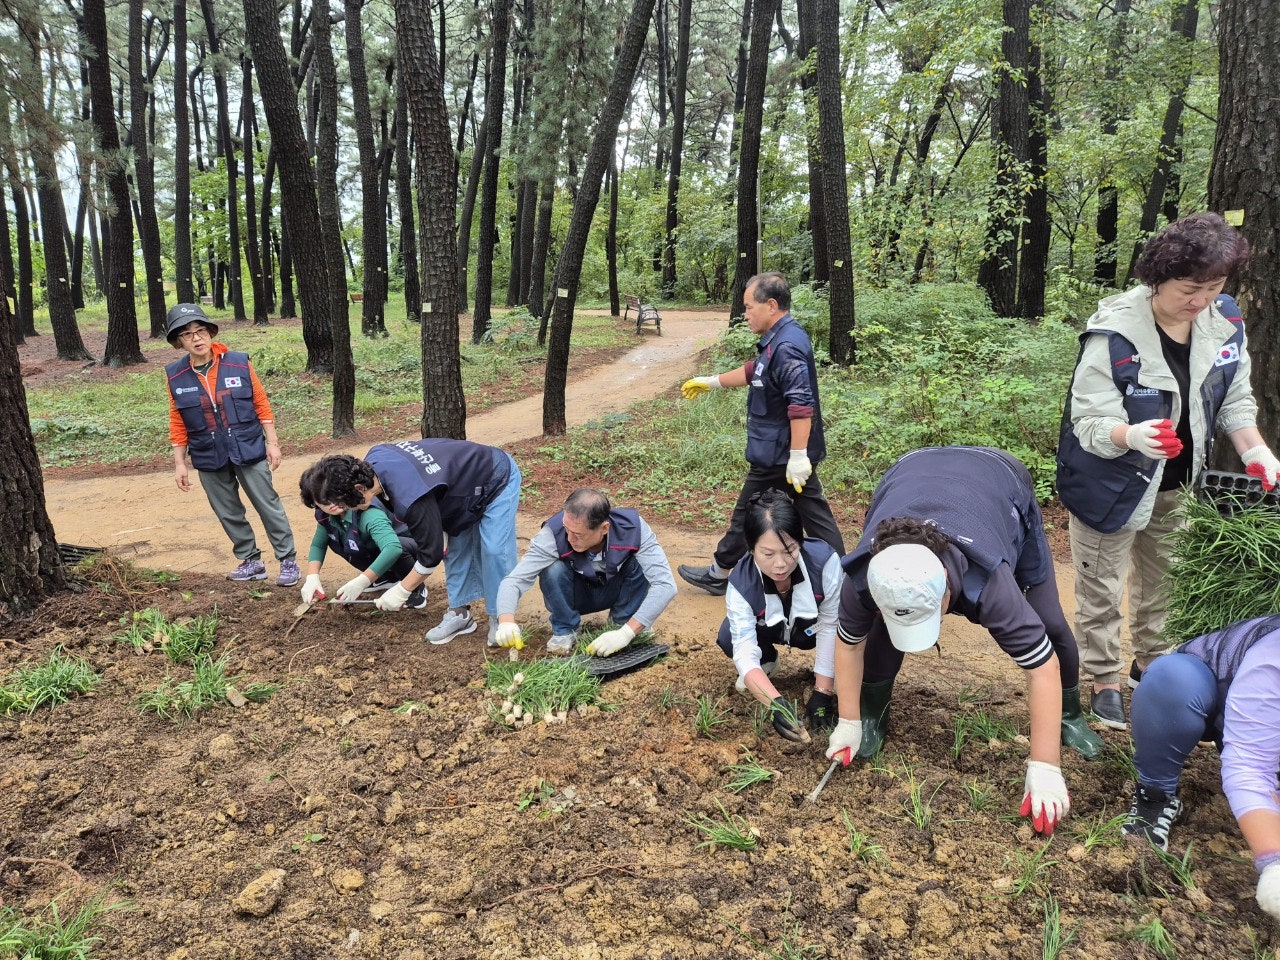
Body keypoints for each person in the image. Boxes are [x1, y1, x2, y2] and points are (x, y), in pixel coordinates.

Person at [1056, 212, 1279, 730]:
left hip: (1178, 484)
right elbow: (1090, 422)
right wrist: (1131, 436)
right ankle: (1104, 678)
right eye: (1190, 288)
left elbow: (1235, 402)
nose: (1201, 299)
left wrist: (1256, 451)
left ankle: (1151, 664)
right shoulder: (1113, 336)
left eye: (1215, 286)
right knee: (1101, 586)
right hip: (1109, 486)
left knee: (1165, 583)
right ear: (1158, 278)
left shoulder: (1224, 325)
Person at [827, 446, 1102, 836]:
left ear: (946, 588)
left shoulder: (990, 584)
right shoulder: (865, 577)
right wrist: (848, 721)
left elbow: (1041, 668)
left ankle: (1069, 715)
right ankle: (872, 713)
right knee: (882, 632)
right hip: (908, 471)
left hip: (1000, 483)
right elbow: (850, 643)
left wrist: (1045, 767)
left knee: (1050, 623)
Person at [676, 272, 845, 596]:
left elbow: (800, 404)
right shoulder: (778, 340)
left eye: (749, 307)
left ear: (771, 305)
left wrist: (797, 457)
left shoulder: (787, 346)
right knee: (815, 514)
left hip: (780, 455)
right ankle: (847, 574)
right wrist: (710, 381)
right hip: (781, 451)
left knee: (750, 510)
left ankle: (720, 573)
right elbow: (755, 371)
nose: (745, 314)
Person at [1123, 615, 1280, 921]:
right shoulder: (1273, 657)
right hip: (1216, 693)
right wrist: (1274, 861)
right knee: (1172, 682)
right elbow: (1250, 764)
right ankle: (1155, 795)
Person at [300, 439, 521, 645]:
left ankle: (500, 617)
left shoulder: (410, 496)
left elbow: (431, 555)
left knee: (494, 550)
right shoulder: (373, 462)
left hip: (493, 477)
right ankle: (459, 614)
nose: (351, 510)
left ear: (359, 489)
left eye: (349, 504)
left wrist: (402, 590)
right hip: (457, 491)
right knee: (456, 549)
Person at [164, 303, 299, 586]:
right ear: (179, 341)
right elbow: (177, 419)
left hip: (248, 446)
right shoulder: (175, 375)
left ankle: (287, 560)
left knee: (267, 504)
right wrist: (179, 463)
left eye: (200, 330)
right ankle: (251, 561)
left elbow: (261, 403)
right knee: (228, 511)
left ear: (210, 332)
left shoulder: (238, 362)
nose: (197, 338)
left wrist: (272, 443)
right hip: (207, 453)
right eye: (188, 334)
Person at [717, 489, 842, 743]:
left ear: (801, 542)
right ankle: (769, 661)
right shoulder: (741, 584)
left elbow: (831, 626)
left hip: (812, 632)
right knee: (729, 636)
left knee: (852, 634)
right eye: (768, 554)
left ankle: (836, 678)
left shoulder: (826, 563)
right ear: (751, 549)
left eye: (789, 550)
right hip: (771, 631)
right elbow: (743, 650)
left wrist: (823, 692)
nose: (780, 564)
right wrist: (775, 703)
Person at [492, 488, 676, 656]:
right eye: (567, 529)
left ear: (604, 528)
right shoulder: (552, 535)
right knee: (552, 568)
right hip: (576, 594)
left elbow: (665, 585)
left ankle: (623, 623)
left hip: (616, 589)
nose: (570, 538)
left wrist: (626, 633)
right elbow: (514, 581)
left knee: (639, 561)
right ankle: (565, 629)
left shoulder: (633, 529)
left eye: (578, 534)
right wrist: (506, 620)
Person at [296, 468, 426, 609]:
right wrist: (312, 576)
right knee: (342, 540)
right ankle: (387, 578)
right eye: (322, 500)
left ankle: (415, 589)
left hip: (413, 547)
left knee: (397, 545)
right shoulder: (326, 516)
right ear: (314, 503)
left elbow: (393, 548)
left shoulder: (368, 513)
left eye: (332, 495)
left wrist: (363, 580)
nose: (330, 503)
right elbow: (318, 545)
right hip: (382, 548)